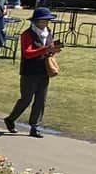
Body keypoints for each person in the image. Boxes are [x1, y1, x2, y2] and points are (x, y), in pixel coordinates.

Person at [3, 7, 60, 139]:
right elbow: (28, 53)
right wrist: (46, 49)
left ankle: (35, 126)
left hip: (43, 70)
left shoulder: (48, 32)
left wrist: (53, 50)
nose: (47, 23)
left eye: (48, 20)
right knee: (26, 99)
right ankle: (11, 119)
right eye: (44, 20)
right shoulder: (27, 34)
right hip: (29, 72)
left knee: (41, 100)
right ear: (36, 21)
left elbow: (47, 49)